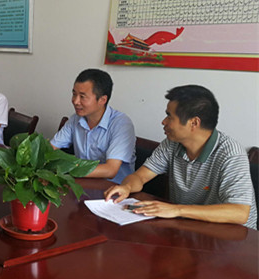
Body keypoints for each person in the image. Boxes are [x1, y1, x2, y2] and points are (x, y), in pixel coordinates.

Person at [105, 85, 256, 229]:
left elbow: (240, 213)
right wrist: (127, 187)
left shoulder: (230, 153)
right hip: (190, 226)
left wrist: (177, 210)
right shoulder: (172, 143)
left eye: (169, 116)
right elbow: (140, 177)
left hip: (233, 236)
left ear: (194, 123)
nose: (163, 122)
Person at [50, 68, 136, 184]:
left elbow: (110, 170)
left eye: (82, 96)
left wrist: (65, 169)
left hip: (113, 189)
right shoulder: (75, 119)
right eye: (74, 94)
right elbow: (51, 148)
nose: (75, 101)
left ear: (102, 100)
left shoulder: (121, 124)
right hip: (83, 184)